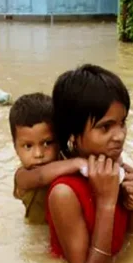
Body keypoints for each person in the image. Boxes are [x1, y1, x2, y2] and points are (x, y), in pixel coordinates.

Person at [46, 64, 133, 263]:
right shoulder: (64, 193)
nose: (119, 136)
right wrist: (107, 202)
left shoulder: (112, 166)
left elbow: (131, 235)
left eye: (122, 123)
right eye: (105, 127)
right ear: (73, 135)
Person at [10, 92, 88, 224]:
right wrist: (77, 163)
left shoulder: (64, 161)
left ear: (60, 141)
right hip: (37, 232)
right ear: (16, 148)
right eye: (28, 146)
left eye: (47, 143)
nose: (38, 154)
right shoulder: (23, 176)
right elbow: (40, 176)